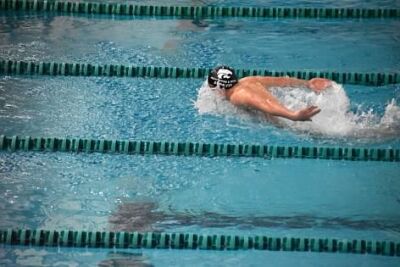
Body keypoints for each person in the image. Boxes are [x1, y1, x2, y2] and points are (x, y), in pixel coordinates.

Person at [208, 65, 332, 121]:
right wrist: (307, 83)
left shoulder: (237, 96)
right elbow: (281, 81)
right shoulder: (247, 80)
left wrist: (293, 116)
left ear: (220, 88)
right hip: (288, 110)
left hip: (287, 119)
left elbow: (265, 103)